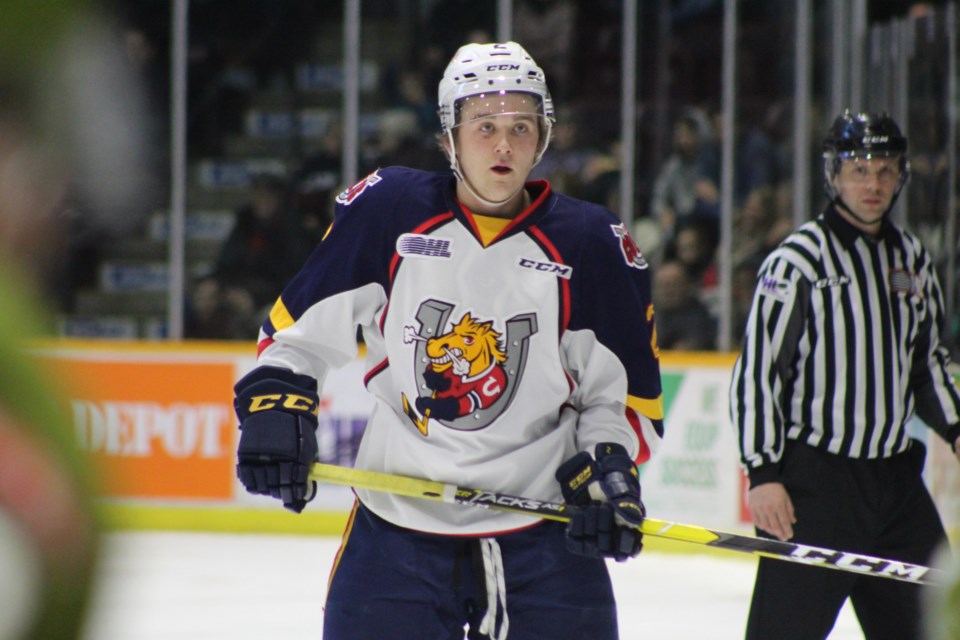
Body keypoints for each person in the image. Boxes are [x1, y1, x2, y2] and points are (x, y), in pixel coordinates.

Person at [232, 41, 664, 639]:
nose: (504, 145)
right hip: (397, 525)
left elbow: (616, 403)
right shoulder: (390, 211)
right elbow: (298, 336)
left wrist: (605, 470)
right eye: (484, 126)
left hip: (542, 534)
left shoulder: (592, 244)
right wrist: (276, 407)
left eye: (521, 126)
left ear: (543, 137)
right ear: (449, 139)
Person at [729, 110, 960, 640]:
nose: (873, 183)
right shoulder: (797, 262)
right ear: (833, 175)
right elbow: (760, 374)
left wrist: (956, 427)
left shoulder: (913, 259)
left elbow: (927, 362)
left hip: (896, 484)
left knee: (934, 627)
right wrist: (763, 474)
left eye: (884, 169)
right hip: (816, 487)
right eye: (859, 169)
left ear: (901, 175)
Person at [651, 259, 716, 351]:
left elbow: (696, 344)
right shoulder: (648, 313)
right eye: (662, 285)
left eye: (673, 284)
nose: (667, 291)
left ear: (686, 286)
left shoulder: (698, 315)